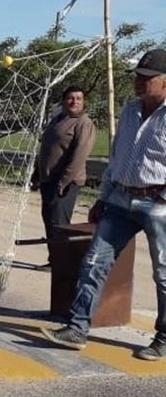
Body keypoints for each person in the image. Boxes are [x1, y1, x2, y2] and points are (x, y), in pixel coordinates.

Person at [42, 48, 166, 361]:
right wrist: (104, 197)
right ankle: (77, 328)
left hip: (158, 204)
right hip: (121, 199)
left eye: (147, 78)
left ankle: (163, 338)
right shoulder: (130, 110)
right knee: (94, 262)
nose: (139, 82)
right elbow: (116, 157)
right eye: (137, 76)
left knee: (163, 274)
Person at [30, 87, 96, 270]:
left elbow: (79, 156)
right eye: (70, 98)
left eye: (79, 98)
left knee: (59, 223)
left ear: (83, 102)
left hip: (65, 183)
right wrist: (37, 174)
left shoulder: (83, 123)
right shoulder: (57, 120)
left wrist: (63, 182)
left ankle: (62, 264)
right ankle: (55, 260)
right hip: (48, 180)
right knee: (50, 221)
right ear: (63, 101)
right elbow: (46, 149)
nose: (75, 102)